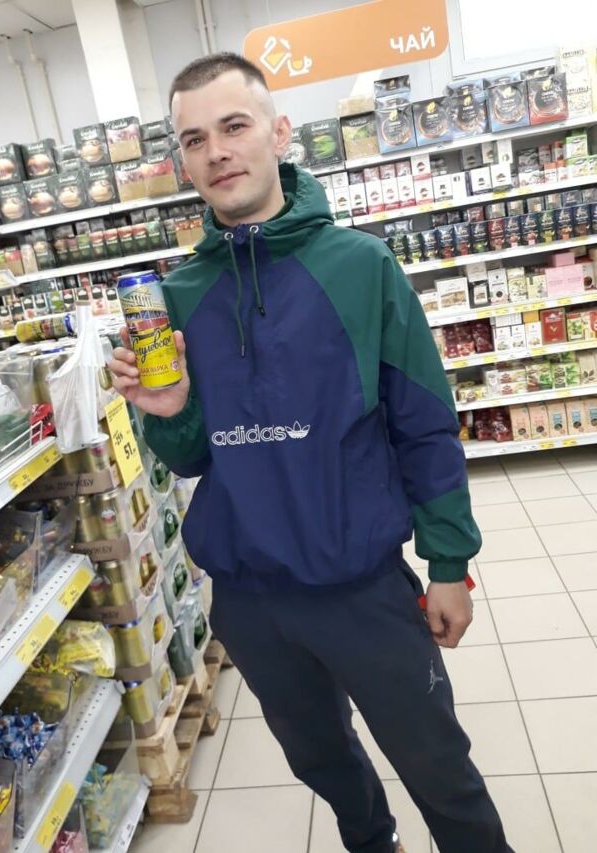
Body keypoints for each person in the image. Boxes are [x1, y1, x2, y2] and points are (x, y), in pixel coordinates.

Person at [109, 52, 514, 853]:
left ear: (278, 132)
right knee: (319, 758)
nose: (217, 151)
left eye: (233, 126)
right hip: (249, 597)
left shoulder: (360, 266)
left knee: (436, 761)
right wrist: (170, 412)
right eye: (194, 139)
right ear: (182, 161)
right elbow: (190, 459)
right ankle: (374, 843)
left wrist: (448, 563)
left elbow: (425, 425)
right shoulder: (177, 296)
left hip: (361, 585)